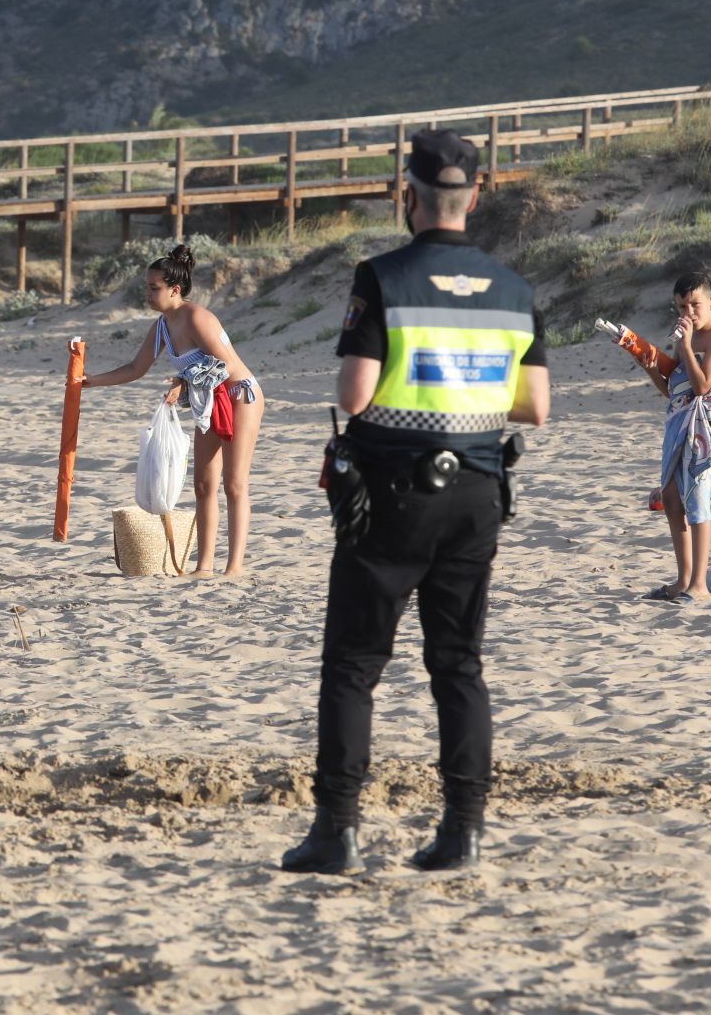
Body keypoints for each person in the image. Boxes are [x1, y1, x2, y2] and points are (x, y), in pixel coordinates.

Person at [282, 129, 550, 877]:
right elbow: (534, 406)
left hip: (392, 497)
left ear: (410, 196)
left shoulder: (383, 277)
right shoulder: (513, 291)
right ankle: (462, 831)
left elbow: (354, 394)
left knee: (354, 666)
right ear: (473, 199)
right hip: (477, 494)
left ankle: (337, 830)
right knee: (458, 667)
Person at [77, 243, 264, 578]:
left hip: (239, 394)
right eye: (146, 288)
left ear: (175, 290)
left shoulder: (197, 317)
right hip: (208, 400)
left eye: (154, 288)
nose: (147, 294)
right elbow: (136, 367)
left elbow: (226, 363)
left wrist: (182, 380)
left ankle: (233, 567)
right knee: (204, 485)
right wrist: (91, 381)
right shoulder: (163, 325)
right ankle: (204, 567)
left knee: (234, 483)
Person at [644, 273, 711, 605]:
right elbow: (674, 390)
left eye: (695, 305)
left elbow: (703, 387)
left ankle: (699, 585)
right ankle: (683, 579)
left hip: (702, 432)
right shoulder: (687, 339)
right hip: (677, 425)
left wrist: (684, 345)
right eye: (682, 306)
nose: (689, 312)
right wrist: (651, 365)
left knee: (697, 503)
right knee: (671, 498)